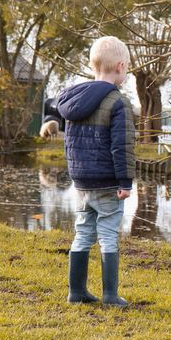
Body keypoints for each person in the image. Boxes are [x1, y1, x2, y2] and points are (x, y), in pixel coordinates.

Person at [57, 36, 136, 307]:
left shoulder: (71, 100)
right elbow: (121, 147)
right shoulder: (118, 102)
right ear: (120, 67)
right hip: (106, 181)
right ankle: (110, 295)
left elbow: (70, 143)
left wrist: (75, 175)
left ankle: (76, 291)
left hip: (80, 181)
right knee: (108, 234)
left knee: (83, 232)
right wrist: (125, 182)